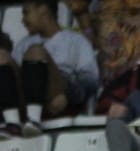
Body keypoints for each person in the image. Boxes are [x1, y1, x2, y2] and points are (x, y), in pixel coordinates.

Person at [0, 0, 97, 136]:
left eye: (26, 13)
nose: (23, 20)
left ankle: (34, 121)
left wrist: (68, 96)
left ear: (43, 10)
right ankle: (12, 123)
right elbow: (10, 78)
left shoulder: (76, 41)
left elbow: (91, 80)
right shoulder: (23, 43)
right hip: (27, 97)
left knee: (36, 51)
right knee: (2, 55)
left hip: (57, 97)